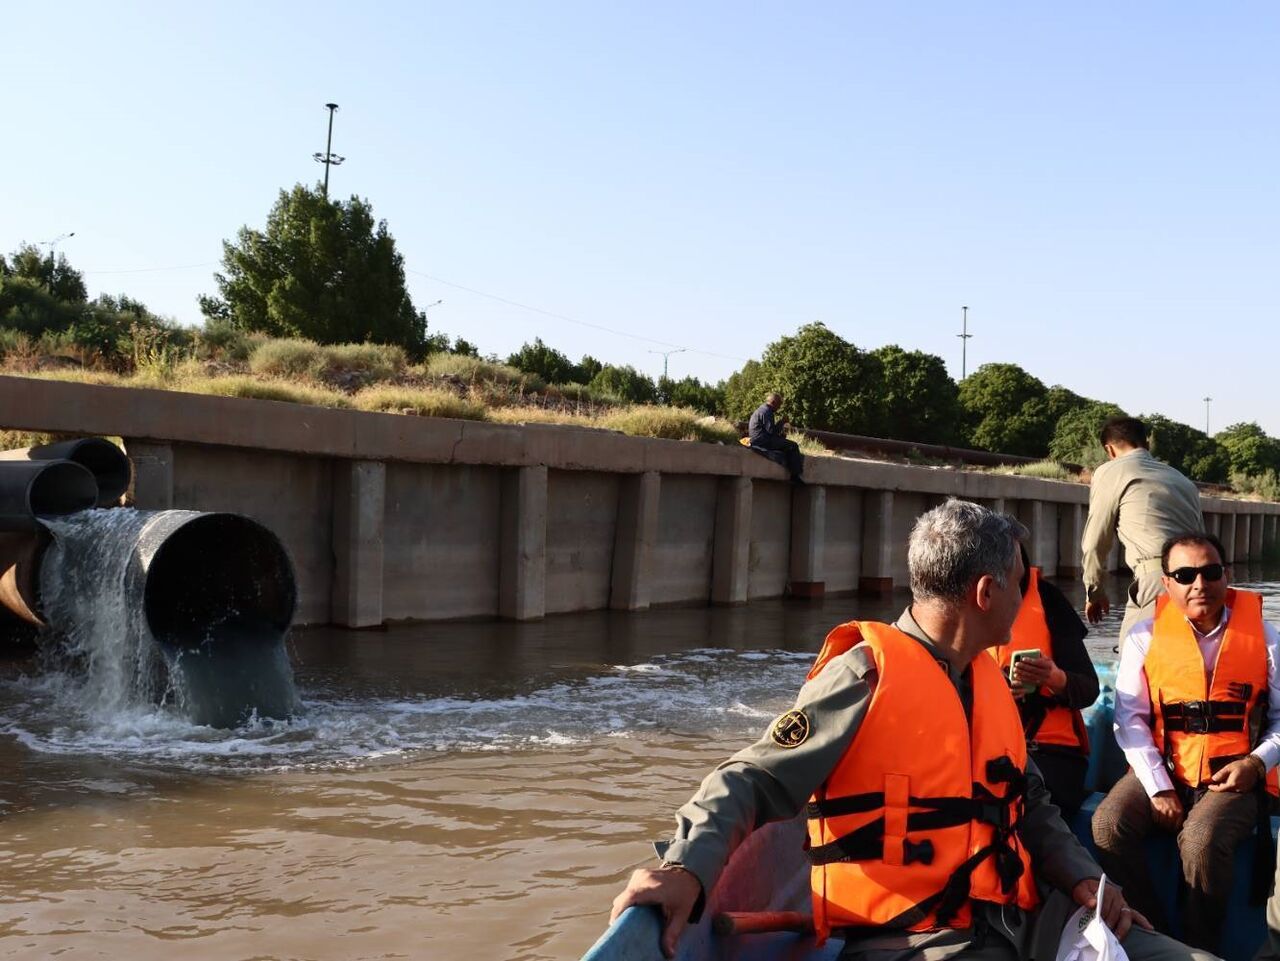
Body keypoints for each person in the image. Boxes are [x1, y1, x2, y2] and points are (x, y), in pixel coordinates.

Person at [611, 499, 1210, 961]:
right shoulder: (865, 675)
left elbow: (1030, 804)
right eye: (1018, 581)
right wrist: (688, 867)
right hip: (920, 942)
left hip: (1025, 918)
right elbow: (749, 779)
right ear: (984, 592)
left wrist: (1086, 879)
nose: (1025, 594)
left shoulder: (983, 677)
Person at [1091, 532, 1280, 953]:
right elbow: (1129, 719)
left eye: (1211, 572)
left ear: (1226, 576)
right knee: (1107, 824)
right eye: (1185, 574)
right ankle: (1153, 937)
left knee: (1201, 839)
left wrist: (1256, 763)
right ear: (1167, 583)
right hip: (1165, 765)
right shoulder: (1143, 637)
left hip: (1234, 774)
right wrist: (1158, 785)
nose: (1200, 583)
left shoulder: (1267, 639)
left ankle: (1199, 945)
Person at [989, 544, 1098, 818]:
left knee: (1021, 797)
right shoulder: (962, 610)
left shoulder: (1048, 599)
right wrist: (994, 689)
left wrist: (1055, 679)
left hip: (1051, 752)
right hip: (989, 747)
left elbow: (1088, 689)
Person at [1081, 415, 1203, 645]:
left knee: (1133, 659)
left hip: (1159, 579)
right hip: (1204, 581)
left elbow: (1096, 540)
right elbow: (1204, 542)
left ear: (1110, 449)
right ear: (1146, 444)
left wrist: (1094, 591)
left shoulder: (1110, 471)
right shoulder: (1183, 480)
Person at [746, 391, 805, 484]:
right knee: (793, 446)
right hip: (762, 441)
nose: (779, 408)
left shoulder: (761, 409)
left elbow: (769, 431)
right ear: (773, 403)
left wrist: (780, 436)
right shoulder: (767, 411)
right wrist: (782, 422)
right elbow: (772, 431)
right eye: (779, 405)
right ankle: (795, 475)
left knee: (785, 443)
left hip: (758, 439)